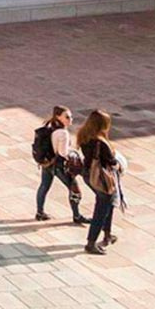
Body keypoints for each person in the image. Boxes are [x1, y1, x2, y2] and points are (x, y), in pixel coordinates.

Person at [76, 109, 122, 254]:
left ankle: (107, 234)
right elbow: (111, 162)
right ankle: (91, 242)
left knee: (108, 202)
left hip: (88, 174)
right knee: (102, 208)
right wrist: (119, 163)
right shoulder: (100, 142)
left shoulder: (83, 135)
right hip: (101, 177)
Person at [32, 105, 86, 225]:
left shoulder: (50, 126)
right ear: (58, 117)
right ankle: (76, 216)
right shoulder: (63, 133)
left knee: (44, 186)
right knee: (75, 190)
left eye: (71, 117)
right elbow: (63, 153)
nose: (70, 119)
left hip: (47, 163)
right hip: (59, 166)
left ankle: (39, 212)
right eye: (67, 117)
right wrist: (73, 152)